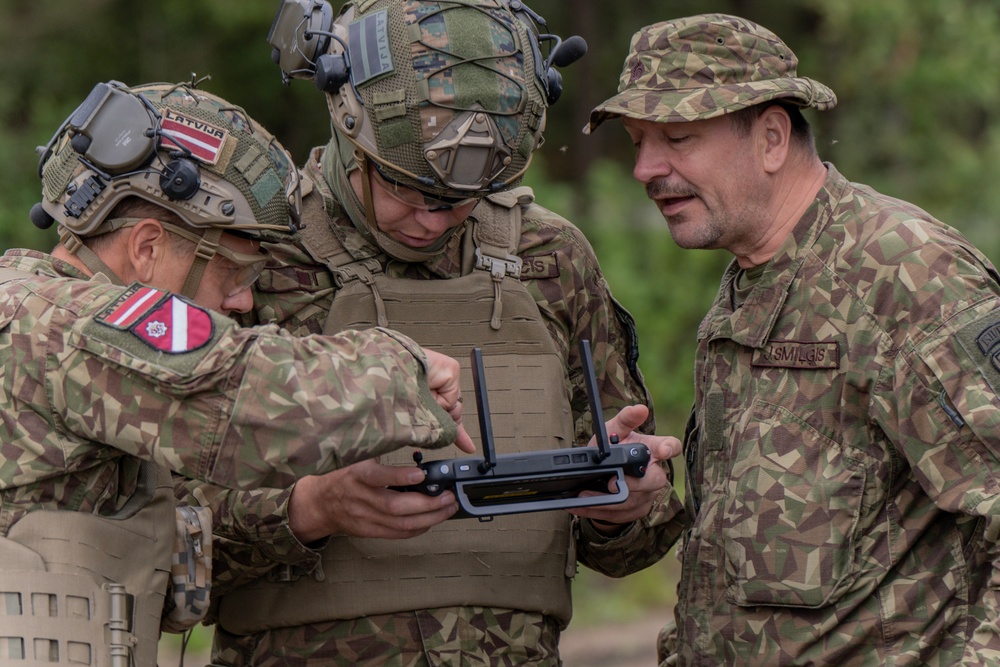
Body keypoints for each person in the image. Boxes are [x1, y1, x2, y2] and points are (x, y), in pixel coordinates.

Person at [174, 1, 686, 664]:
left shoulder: (550, 258)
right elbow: (165, 547)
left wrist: (624, 500)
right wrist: (311, 509)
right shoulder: (252, 263)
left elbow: (639, 538)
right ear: (348, 131)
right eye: (407, 187)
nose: (433, 219)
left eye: (461, 198)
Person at [0, 79, 474, 666]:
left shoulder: (30, 316)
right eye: (235, 273)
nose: (244, 303)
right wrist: (404, 370)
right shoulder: (61, 324)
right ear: (148, 247)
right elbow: (250, 398)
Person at [584, 12, 1000, 666]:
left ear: (772, 138)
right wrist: (631, 501)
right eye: (638, 141)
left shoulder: (903, 275)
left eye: (677, 137)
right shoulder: (747, 289)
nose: (644, 167)